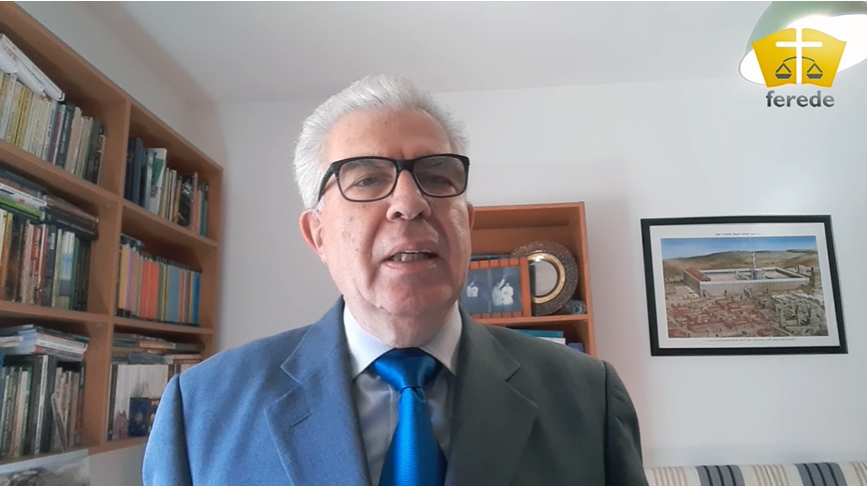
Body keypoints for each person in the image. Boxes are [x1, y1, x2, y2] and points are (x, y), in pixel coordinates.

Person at [142, 74, 649, 486]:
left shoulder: (589, 397)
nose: (410, 202)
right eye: (366, 179)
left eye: (437, 176)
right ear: (318, 235)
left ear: (467, 224)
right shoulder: (202, 407)